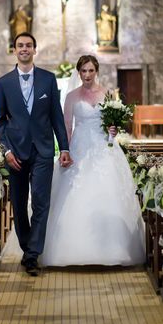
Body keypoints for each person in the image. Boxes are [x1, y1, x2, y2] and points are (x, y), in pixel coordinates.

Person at [41, 55, 145, 267]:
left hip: (103, 148)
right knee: (74, 192)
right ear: (78, 73)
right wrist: (65, 150)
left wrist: (112, 131)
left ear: (96, 71)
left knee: (108, 190)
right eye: (83, 71)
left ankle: (113, 248)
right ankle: (71, 249)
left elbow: (110, 126)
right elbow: (67, 127)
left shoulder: (106, 93)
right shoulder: (71, 96)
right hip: (79, 147)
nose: (87, 75)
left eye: (90, 71)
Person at [0, 32, 72, 276]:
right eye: (20, 46)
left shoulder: (48, 80)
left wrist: (65, 147)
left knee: (41, 202)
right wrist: (6, 150)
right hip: (15, 153)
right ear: (14, 50)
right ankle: (27, 244)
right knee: (18, 204)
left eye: (28, 45)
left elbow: (56, 118)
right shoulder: (4, 83)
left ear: (35, 50)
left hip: (42, 150)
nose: (24, 49)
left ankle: (32, 254)